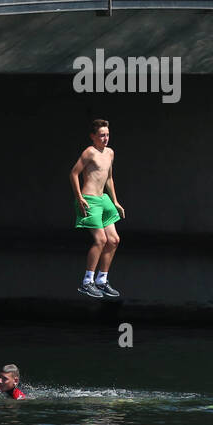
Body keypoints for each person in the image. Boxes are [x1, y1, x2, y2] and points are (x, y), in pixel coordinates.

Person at [69, 118, 125, 299]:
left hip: (104, 199)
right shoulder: (89, 152)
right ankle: (87, 282)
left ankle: (102, 280)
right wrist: (78, 198)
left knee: (114, 240)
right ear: (93, 136)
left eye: (107, 134)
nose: (105, 138)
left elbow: (109, 179)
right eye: (102, 135)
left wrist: (115, 201)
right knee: (100, 239)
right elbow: (73, 174)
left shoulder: (110, 153)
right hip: (89, 199)